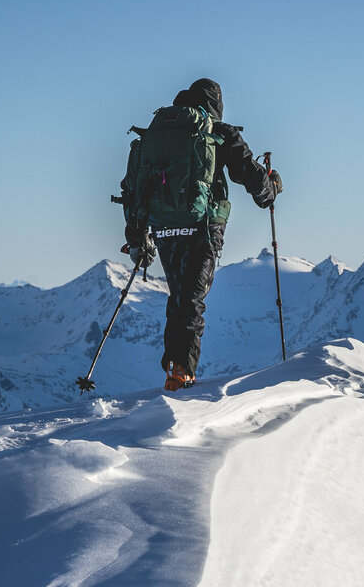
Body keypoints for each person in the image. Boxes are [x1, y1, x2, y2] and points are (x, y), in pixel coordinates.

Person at [120, 78, 282, 390]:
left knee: (180, 295)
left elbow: (133, 187)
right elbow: (250, 176)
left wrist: (138, 235)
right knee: (193, 297)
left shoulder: (158, 134)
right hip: (204, 225)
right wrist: (271, 188)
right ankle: (182, 372)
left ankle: (174, 368)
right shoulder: (218, 132)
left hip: (163, 225)